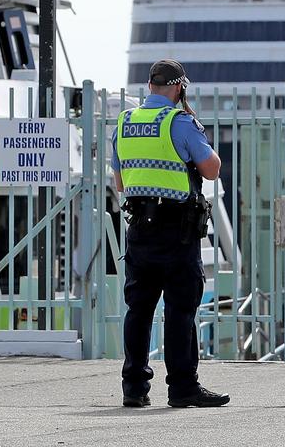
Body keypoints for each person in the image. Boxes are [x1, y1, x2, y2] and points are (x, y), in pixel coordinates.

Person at [115, 59, 229, 409]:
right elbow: (211, 170)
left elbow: (120, 182)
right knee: (180, 311)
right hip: (177, 230)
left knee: (139, 310)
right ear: (179, 88)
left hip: (139, 229)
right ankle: (182, 388)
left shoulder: (125, 122)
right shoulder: (179, 122)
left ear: (150, 86)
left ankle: (134, 388)